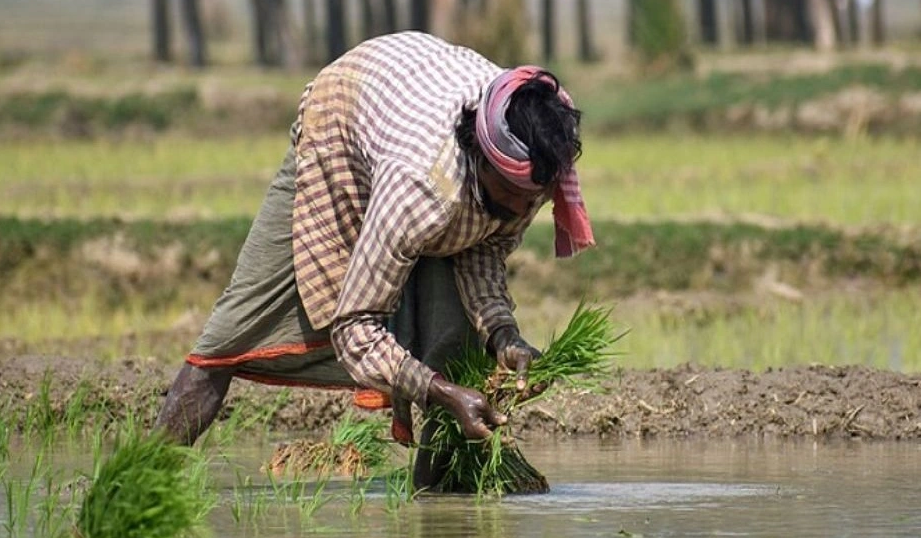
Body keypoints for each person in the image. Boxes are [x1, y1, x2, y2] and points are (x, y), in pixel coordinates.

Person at [153, 31, 593, 484]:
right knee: (232, 331)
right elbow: (356, 326)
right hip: (344, 121)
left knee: (460, 345)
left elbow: (485, 246)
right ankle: (141, 479)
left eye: (533, 199)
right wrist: (441, 394)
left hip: (410, 97)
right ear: (479, 158)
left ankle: (436, 506)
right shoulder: (420, 187)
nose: (522, 212)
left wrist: (504, 335)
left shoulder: (535, 154)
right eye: (512, 195)